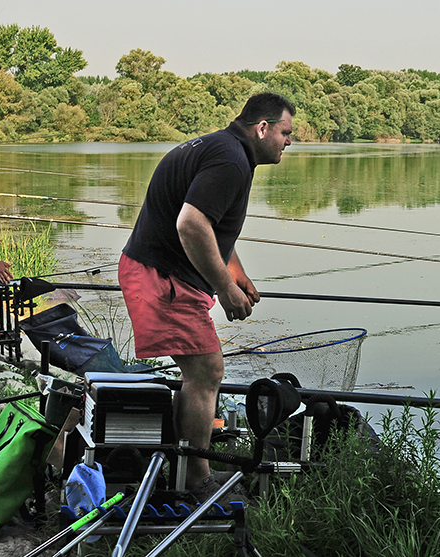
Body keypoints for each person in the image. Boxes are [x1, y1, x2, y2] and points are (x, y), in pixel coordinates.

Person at [119, 92, 294, 502]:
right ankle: (197, 480)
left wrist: (236, 272)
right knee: (206, 372)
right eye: (286, 133)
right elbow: (191, 224)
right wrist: (225, 289)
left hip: (156, 271)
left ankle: (181, 464)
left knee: (200, 372)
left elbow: (211, 226)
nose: (289, 141)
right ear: (262, 128)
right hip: (161, 277)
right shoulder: (230, 160)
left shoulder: (222, 147)